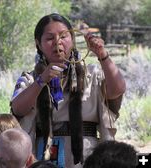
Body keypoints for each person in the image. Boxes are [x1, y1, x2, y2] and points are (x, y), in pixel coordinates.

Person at [10, 13, 126, 168]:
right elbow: (17, 108)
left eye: (63, 36)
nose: (57, 42)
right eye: (50, 38)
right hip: (43, 157)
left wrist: (102, 55)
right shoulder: (30, 80)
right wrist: (41, 80)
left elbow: (117, 90)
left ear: (72, 39)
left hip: (87, 156)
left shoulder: (91, 75)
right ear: (38, 44)